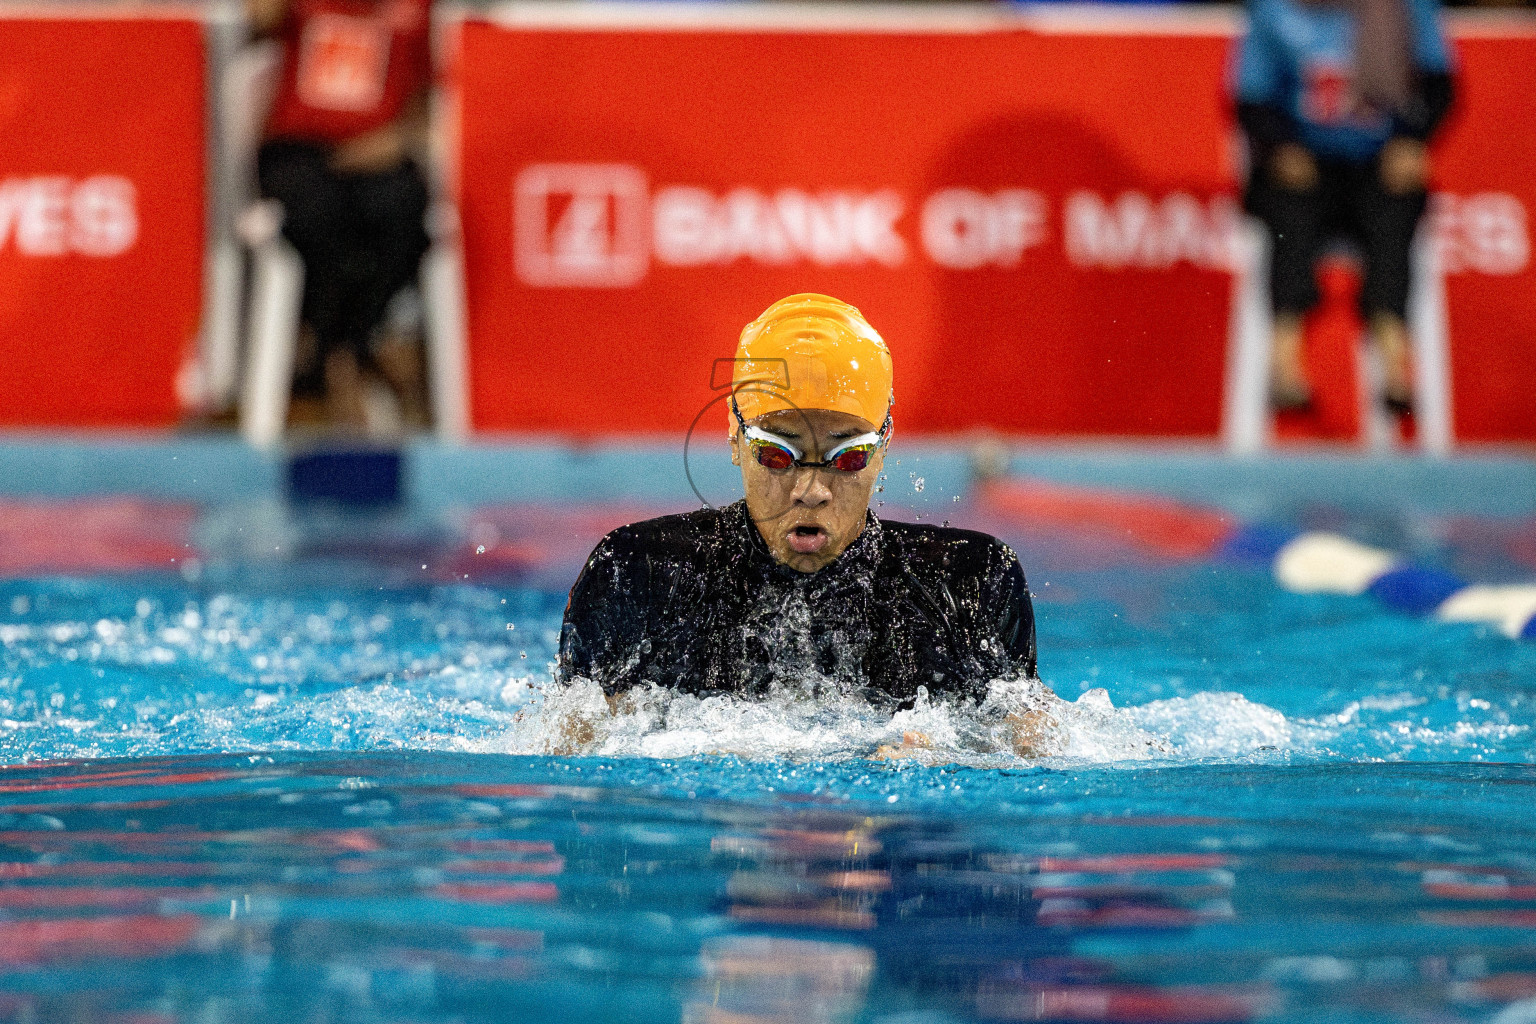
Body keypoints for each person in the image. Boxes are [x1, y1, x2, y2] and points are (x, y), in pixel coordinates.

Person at [557, 294, 1055, 757]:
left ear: (882, 447)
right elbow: (570, 754)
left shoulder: (969, 583)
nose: (810, 490)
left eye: (847, 457)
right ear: (735, 438)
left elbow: (1038, 754)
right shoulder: (638, 573)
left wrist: (954, 757)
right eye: (778, 454)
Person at [1233, 0, 1455, 414]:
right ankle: (1284, 360)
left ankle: (1395, 363)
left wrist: (1412, 139)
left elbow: (1440, 85)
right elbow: (1251, 98)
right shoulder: (1275, 11)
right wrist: (1281, 148)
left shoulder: (1406, 7)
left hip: (1377, 160)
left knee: (1394, 208)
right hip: (1303, 160)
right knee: (1290, 211)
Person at [248, 0, 433, 428]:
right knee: (318, 214)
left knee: (403, 209)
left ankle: (336, 351)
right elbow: (255, 21)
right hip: (301, 149)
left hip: (380, 147)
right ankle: (347, 355)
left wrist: (399, 137)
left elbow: (435, 86)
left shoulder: (417, 10)